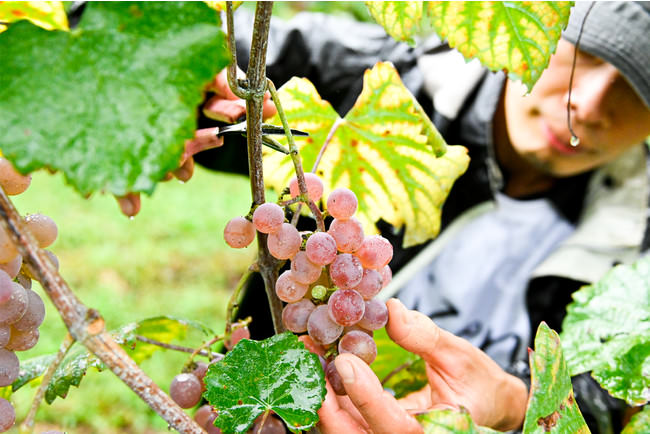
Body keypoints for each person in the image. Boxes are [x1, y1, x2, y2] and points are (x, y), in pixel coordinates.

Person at [115, 2, 650, 432]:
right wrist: (169, 84)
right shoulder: (374, 84)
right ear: (541, 24)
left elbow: (611, 394)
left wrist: (518, 405)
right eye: (588, 56)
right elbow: (186, 47)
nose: (592, 104)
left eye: (637, 89)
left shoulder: (637, 227)